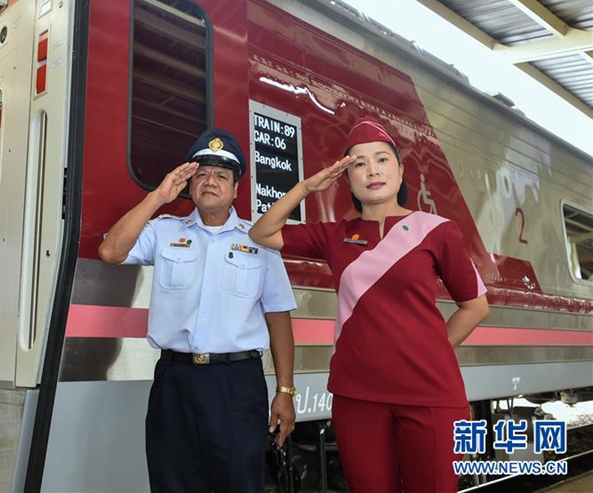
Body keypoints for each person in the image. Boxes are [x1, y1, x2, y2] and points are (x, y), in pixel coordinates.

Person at [249, 116, 489, 492]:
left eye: (381, 159)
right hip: (357, 395)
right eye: (359, 164)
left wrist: (432, 349)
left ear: (400, 170)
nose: (372, 170)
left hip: (430, 391)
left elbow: (476, 305)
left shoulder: (438, 230)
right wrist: (309, 187)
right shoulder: (335, 236)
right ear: (347, 180)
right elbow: (261, 232)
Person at [98, 129, 297, 492]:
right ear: (189, 184)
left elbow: (279, 316)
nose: (210, 181)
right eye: (202, 173)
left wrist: (285, 390)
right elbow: (111, 252)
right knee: (171, 481)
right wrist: (157, 197)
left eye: (222, 175)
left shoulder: (259, 241)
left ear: (236, 189)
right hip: (174, 381)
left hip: (236, 384)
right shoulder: (163, 231)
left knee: (238, 482)